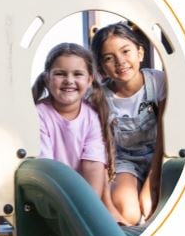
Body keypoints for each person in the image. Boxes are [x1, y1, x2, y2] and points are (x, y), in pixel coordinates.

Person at [32, 42, 122, 221]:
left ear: (89, 80)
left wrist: (90, 208)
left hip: (82, 196)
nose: (69, 80)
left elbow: (93, 166)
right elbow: (47, 167)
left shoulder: (91, 116)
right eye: (60, 74)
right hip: (48, 193)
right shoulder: (39, 113)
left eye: (78, 74)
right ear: (47, 78)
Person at [91, 22, 166, 225]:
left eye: (126, 51)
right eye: (109, 58)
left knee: (154, 207)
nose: (120, 62)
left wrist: (153, 180)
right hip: (124, 162)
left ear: (140, 52)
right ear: (101, 68)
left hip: (160, 155)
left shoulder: (157, 82)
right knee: (128, 212)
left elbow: (165, 134)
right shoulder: (99, 97)